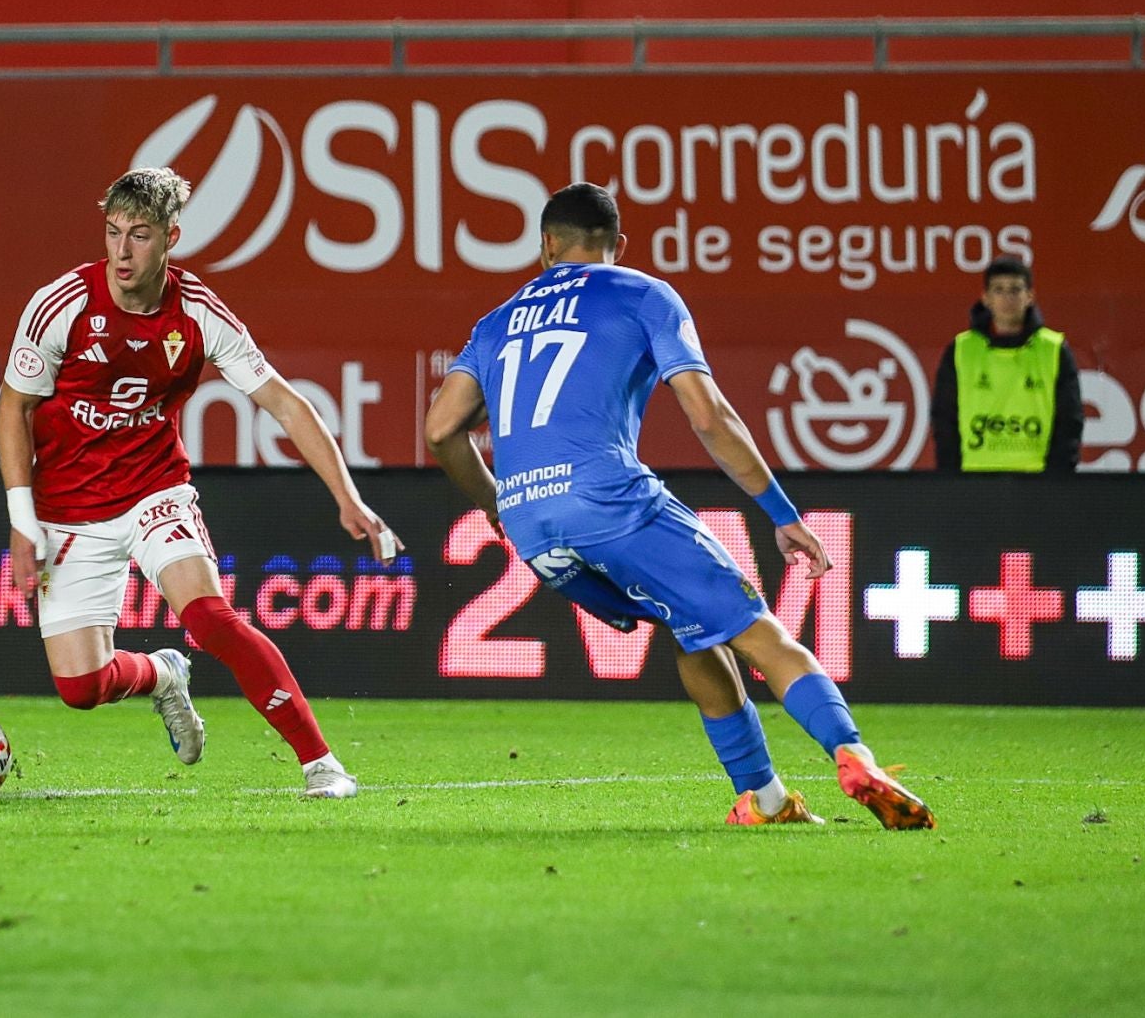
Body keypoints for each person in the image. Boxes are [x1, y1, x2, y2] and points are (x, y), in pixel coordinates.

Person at [425, 182, 934, 830]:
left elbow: (441, 429)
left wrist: (498, 506)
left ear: (546, 245)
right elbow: (708, 413)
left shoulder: (494, 322)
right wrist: (782, 514)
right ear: (618, 244)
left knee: (692, 627)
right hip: (608, 499)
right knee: (759, 631)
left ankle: (765, 799)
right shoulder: (641, 292)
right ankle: (854, 755)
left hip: (531, 523)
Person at [0, 166, 399, 799]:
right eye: (112, 232)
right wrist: (23, 521)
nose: (122, 251)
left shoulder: (200, 314)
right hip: (67, 508)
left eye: (140, 235)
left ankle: (321, 764)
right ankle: (161, 676)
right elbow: (11, 407)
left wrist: (348, 496)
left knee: (211, 618)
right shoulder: (62, 307)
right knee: (81, 689)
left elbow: (287, 403)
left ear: (171, 237)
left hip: (155, 489)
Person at [931, 256, 1083, 473]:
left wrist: (1057, 480)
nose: (1007, 298)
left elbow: (1070, 421)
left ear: (1030, 296)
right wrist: (952, 479)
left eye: (1015, 290)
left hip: (1038, 480)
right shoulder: (961, 349)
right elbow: (944, 420)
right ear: (986, 298)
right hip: (975, 478)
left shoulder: (1054, 349)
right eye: (999, 290)